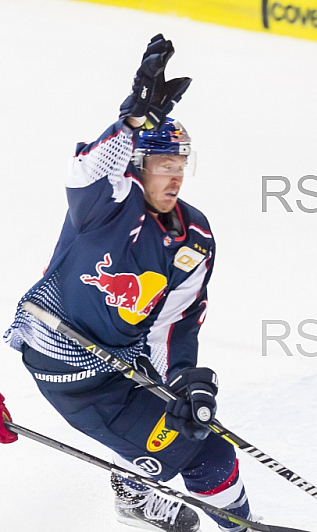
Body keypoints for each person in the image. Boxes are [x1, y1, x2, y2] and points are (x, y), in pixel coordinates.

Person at [4, 35, 256, 532]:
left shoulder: (195, 235)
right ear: (139, 168)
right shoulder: (106, 205)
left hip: (126, 361)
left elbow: (174, 323)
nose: (176, 177)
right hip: (69, 367)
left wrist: (180, 379)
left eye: (181, 166)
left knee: (200, 437)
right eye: (164, 165)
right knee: (199, 451)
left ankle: (168, 496)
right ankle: (148, 496)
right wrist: (133, 120)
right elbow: (84, 169)